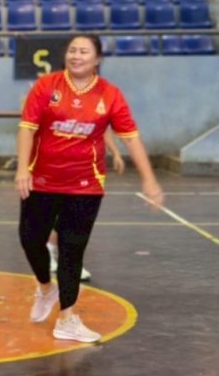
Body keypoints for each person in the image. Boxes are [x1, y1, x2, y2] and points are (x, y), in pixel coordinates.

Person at [15, 33, 163, 343]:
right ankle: (45, 287)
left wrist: (148, 179)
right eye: (72, 50)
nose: (76, 56)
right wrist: (22, 169)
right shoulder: (47, 86)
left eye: (84, 51)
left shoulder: (110, 94)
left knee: (72, 249)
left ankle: (67, 318)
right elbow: (27, 128)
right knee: (30, 240)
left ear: (97, 58)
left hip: (85, 185)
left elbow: (131, 137)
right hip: (41, 179)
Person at [47, 129, 125, 282]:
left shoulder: (97, 114)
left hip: (88, 168)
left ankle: (64, 257)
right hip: (60, 164)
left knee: (77, 216)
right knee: (68, 213)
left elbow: (104, 129)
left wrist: (115, 152)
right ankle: (60, 255)